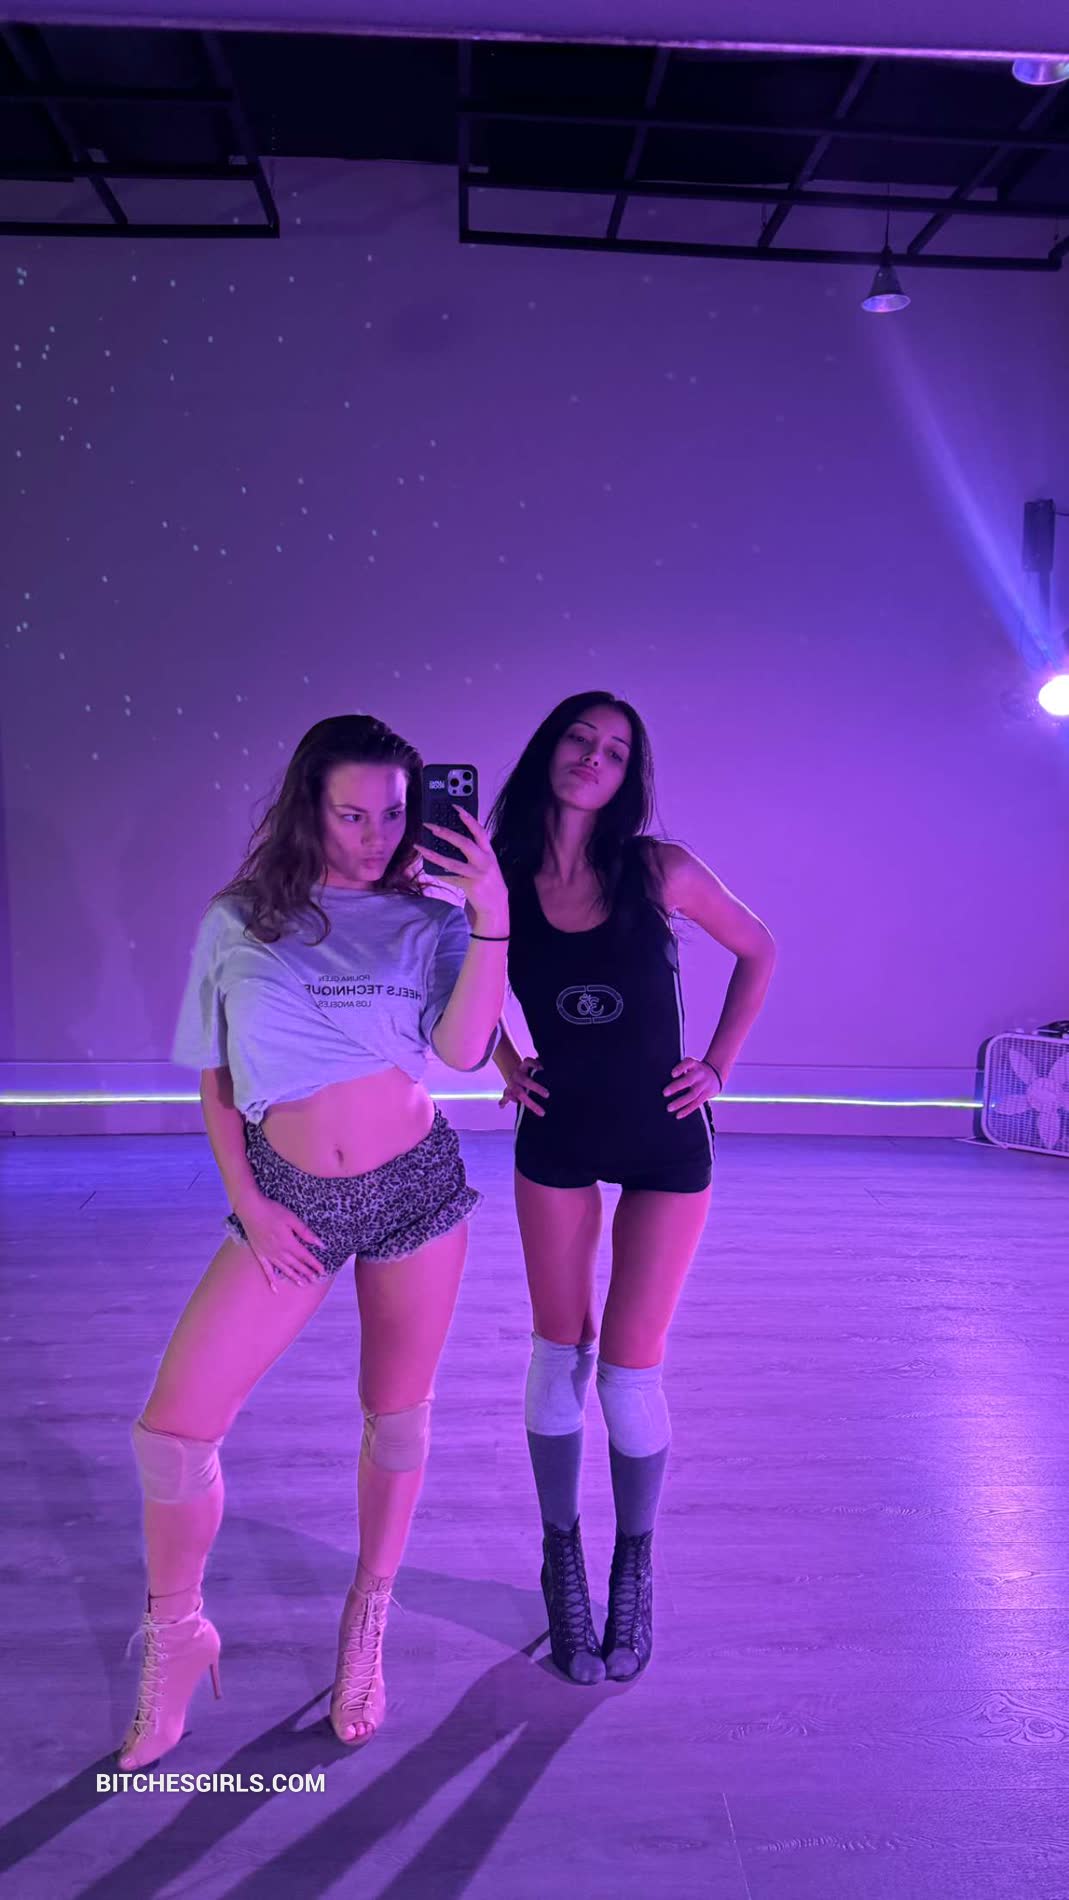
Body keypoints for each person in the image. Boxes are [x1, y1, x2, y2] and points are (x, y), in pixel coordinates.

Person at [118, 714, 508, 1766]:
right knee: (172, 1435)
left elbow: (465, 1051)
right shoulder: (238, 919)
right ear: (308, 809)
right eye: (350, 814)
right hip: (288, 1196)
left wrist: (491, 916)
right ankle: (178, 1634)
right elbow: (215, 1074)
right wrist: (248, 1200)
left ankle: (367, 1616)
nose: (374, 836)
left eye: (391, 814)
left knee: (397, 1419)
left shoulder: (433, 922)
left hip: (414, 1188)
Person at [488, 692, 775, 1684]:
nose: (592, 757)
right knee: (557, 1353)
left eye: (614, 751)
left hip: (665, 1146)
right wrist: (504, 1062)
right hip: (558, 1135)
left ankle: (633, 1565)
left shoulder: (660, 870)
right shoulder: (498, 879)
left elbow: (758, 947)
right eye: (579, 737)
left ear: (626, 777)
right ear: (549, 748)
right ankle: (561, 1556)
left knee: (625, 1372)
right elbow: (452, 985)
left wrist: (719, 1065)